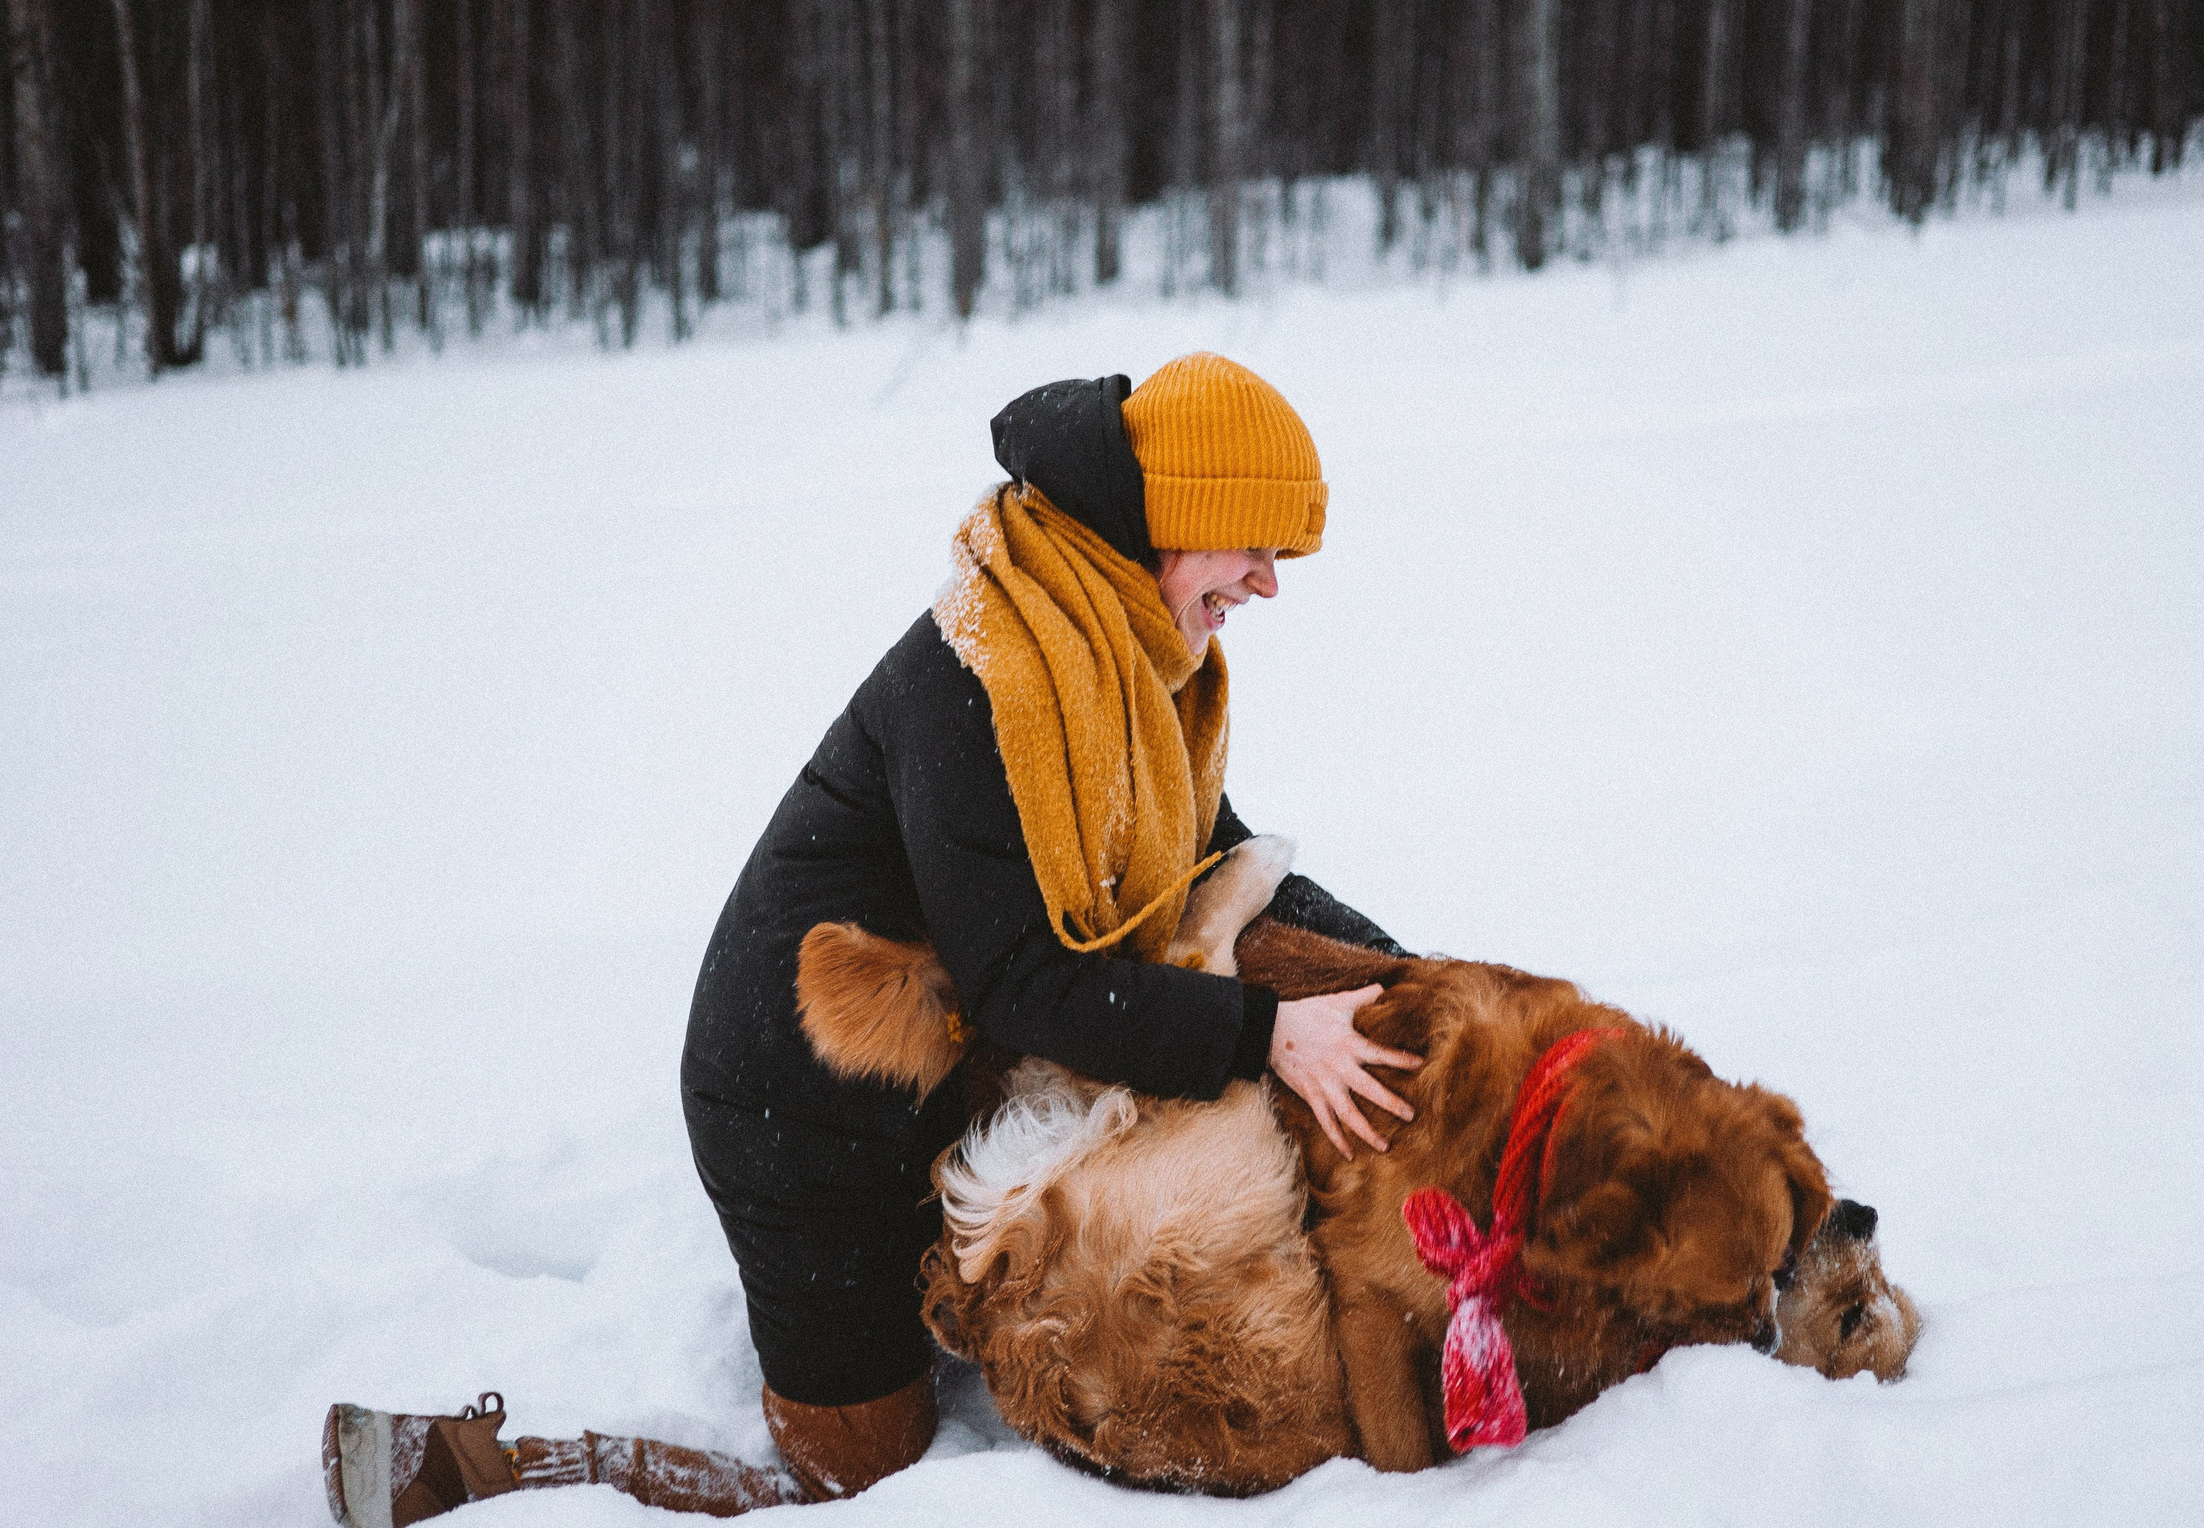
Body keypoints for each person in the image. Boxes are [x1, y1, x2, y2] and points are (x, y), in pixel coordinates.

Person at [320, 354, 1415, 1523]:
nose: (1267, 583)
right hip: (805, 1121)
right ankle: (478, 1472)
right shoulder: (987, 675)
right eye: (1253, 542)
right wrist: (1264, 1031)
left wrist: (1416, 981)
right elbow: (1022, 984)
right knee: (857, 1484)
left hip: (941, 1084)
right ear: (1174, 517)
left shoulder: (1134, 663)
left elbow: (1215, 858)